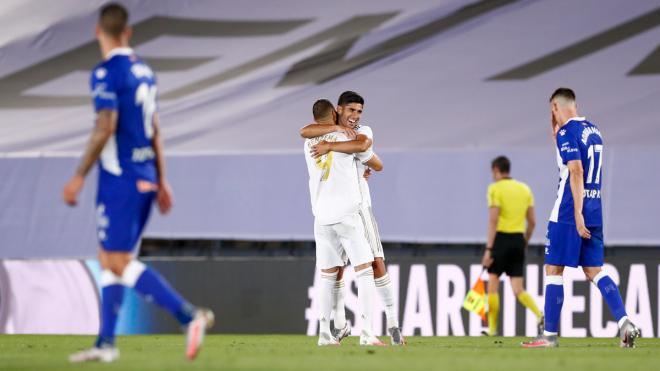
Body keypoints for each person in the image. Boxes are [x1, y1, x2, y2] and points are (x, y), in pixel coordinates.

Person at [62, 3, 213, 362]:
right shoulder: (145, 72)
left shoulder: (105, 74)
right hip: (144, 176)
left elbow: (105, 128)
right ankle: (105, 344)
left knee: (115, 261)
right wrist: (162, 180)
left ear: (98, 32)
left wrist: (78, 175)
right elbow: (156, 130)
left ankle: (188, 315)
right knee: (112, 257)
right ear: (127, 32)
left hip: (120, 178)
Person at [522, 88, 640, 348]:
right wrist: (556, 131)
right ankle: (625, 323)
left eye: (551, 110)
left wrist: (576, 213)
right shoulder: (594, 131)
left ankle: (549, 336)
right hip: (595, 208)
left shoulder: (567, 133)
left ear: (555, 106)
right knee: (595, 270)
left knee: (554, 269)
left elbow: (575, 171)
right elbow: (574, 158)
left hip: (568, 210)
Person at [300, 91, 405, 345]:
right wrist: (351, 153)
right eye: (351, 111)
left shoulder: (313, 141)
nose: (356, 116)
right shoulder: (344, 135)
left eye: (359, 112)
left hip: (321, 215)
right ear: (337, 111)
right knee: (366, 269)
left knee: (328, 274)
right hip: (349, 211)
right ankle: (367, 332)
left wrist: (357, 162)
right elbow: (364, 150)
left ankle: (328, 332)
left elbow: (306, 131)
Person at [481, 156, 543, 336]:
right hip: (518, 240)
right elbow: (532, 222)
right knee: (518, 289)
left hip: (500, 240)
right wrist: (524, 241)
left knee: (493, 283)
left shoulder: (495, 189)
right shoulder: (525, 189)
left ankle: (492, 329)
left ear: (495, 170)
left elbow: (493, 221)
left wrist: (488, 250)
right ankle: (539, 315)